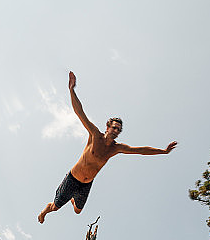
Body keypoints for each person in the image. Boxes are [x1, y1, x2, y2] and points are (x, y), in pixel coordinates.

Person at [38, 71, 177, 223]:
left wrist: (163, 151)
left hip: (87, 184)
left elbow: (141, 150)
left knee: (77, 211)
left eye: (118, 130)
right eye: (114, 127)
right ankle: (46, 209)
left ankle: (73, 199)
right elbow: (80, 112)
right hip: (73, 178)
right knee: (56, 207)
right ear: (107, 127)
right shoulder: (94, 135)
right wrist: (71, 90)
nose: (116, 131)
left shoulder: (116, 148)